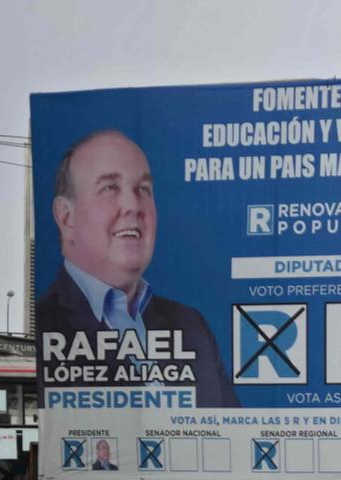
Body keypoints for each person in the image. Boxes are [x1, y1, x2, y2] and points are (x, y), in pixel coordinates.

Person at [35, 129, 239, 409]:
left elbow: (232, 434)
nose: (133, 206)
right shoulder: (48, 323)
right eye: (109, 188)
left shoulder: (191, 326)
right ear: (66, 217)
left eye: (143, 190)